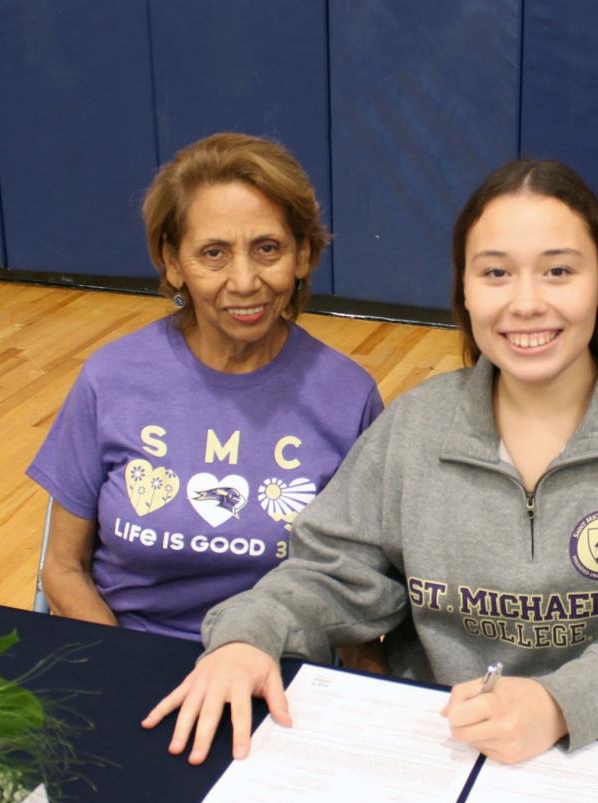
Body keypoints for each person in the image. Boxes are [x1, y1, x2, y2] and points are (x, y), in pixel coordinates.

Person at [142, 158, 598, 766]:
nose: (526, 303)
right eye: (496, 273)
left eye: (559, 271)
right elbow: (326, 574)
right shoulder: (417, 426)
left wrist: (568, 702)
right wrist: (247, 636)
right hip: (437, 756)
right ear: (466, 291)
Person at [27, 133, 384, 642]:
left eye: (268, 249)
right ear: (172, 261)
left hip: (280, 668)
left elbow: (358, 589)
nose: (244, 281)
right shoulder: (110, 379)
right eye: (213, 253)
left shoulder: (350, 398)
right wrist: (124, 664)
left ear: (303, 254)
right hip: (133, 656)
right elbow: (62, 570)